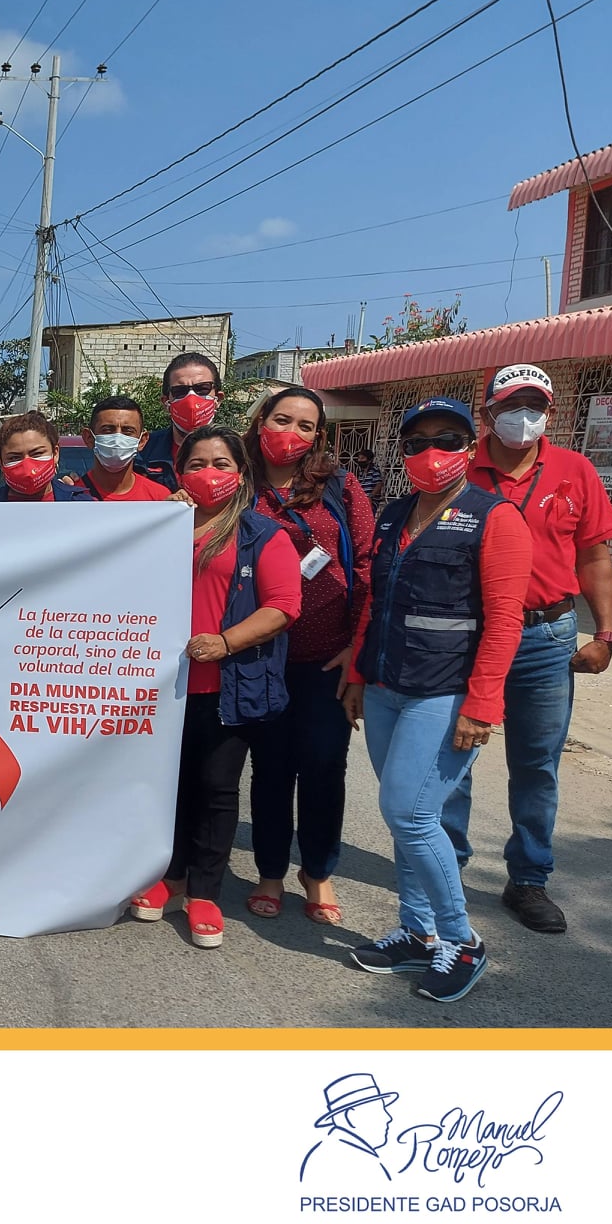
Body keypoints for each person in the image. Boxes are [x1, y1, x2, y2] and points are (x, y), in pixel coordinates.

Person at [342, 398, 531, 1003]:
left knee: (410, 814)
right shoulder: (396, 514)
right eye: (417, 441)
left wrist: (483, 704)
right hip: (386, 686)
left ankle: (461, 940)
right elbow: (376, 600)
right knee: (405, 817)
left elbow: (505, 621)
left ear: (470, 447)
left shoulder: (495, 517)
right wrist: (357, 670)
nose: (431, 452)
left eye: (447, 439)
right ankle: (417, 931)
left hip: (444, 691)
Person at [444, 363, 612, 934]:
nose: (525, 417)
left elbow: (594, 557)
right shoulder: (459, 468)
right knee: (453, 759)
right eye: (512, 406)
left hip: (546, 637)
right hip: (469, 635)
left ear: (550, 411)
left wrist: (606, 634)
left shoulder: (575, 470)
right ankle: (445, 870)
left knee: (537, 766)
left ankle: (528, 879)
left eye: (536, 406)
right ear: (488, 413)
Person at [129, 425, 300, 949]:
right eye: (197, 464)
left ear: (242, 474)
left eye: (221, 463)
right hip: (160, 687)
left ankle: (204, 892)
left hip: (225, 686)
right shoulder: (161, 525)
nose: (209, 473)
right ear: (179, 473)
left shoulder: (262, 534)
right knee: (167, 785)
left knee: (216, 789)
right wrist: (161, 520)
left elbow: (283, 606)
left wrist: (225, 643)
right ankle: (170, 877)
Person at [243, 386, 374, 925]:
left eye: (305, 425)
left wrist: (356, 649)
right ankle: (271, 872)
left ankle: (317, 871)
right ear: (261, 423)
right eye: (282, 420)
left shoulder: (340, 486)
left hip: (327, 657)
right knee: (270, 769)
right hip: (257, 655)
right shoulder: (237, 482)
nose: (291, 433)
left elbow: (366, 565)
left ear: (318, 435)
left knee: (324, 766)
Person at [135, 352, 224, 492]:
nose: (191, 398)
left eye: (202, 389)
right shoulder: (143, 452)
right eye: (180, 391)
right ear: (166, 402)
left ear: (218, 399)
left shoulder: (237, 451)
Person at [76, 395, 173, 501]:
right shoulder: (70, 496)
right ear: (89, 438)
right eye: (108, 430)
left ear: (142, 441)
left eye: (128, 431)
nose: (118, 439)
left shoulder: (160, 498)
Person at [0, 411, 90, 501]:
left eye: (37, 453)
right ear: (0, 462)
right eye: (14, 457)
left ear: (55, 453)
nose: (27, 466)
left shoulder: (83, 506)